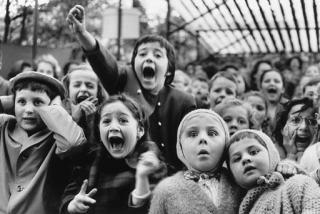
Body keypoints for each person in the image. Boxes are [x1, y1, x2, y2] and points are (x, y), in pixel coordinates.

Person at [66, 5, 196, 174]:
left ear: (169, 69)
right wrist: (82, 34)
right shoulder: (123, 81)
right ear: (133, 64)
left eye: (157, 55)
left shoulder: (183, 102)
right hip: (126, 179)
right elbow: (104, 63)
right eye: (142, 54)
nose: (148, 58)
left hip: (172, 181)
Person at [60, 94, 165, 214]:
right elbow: (68, 196)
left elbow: (153, 208)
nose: (113, 127)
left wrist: (142, 178)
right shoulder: (89, 161)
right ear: (99, 131)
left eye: (123, 120)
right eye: (106, 121)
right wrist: (72, 206)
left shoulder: (151, 163)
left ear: (140, 130)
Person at [0, 71, 86, 214]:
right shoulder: (4, 125)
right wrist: (7, 101)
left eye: (38, 102)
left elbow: (73, 143)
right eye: (21, 102)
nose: (29, 110)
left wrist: (57, 108)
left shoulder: (56, 134)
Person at [148, 109, 243, 214]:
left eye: (212, 133)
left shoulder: (239, 181)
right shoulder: (165, 190)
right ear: (180, 145)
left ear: (225, 142)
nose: (202, 138)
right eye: (193, 134)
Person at [227, 129, 320, 213]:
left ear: (272, 156)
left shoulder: (297, 184)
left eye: (254, 152)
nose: (245, 159)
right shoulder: (239, 208)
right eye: (237, 159)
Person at [274, 98, 318, 162]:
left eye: (311, 121)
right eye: (296, 120)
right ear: (282, 128)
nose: (304, 127)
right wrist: (291, 155)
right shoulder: (269, 155)